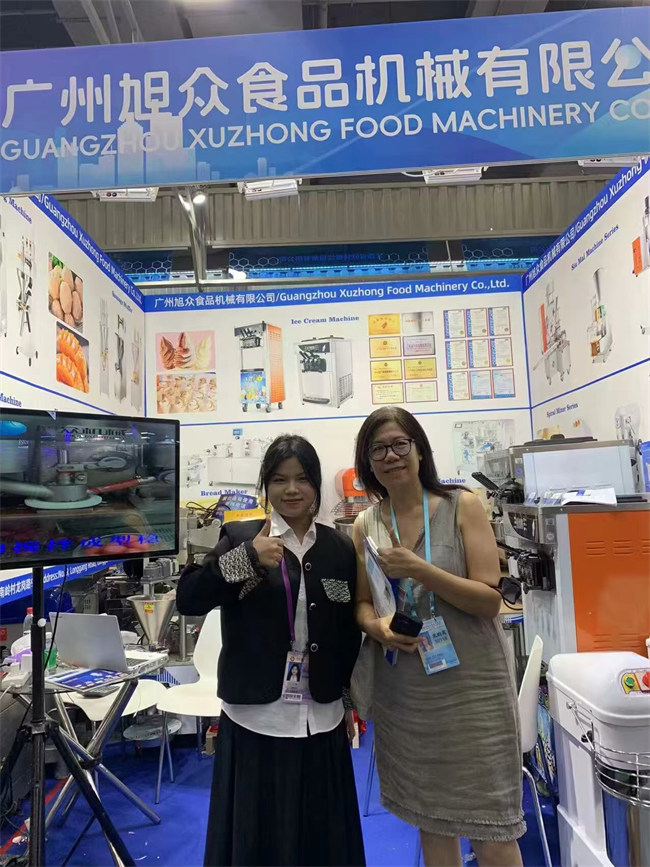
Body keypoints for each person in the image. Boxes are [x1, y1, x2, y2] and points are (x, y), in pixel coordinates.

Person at [177, 434, 365, 867]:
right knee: (257, 838)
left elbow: (345, 633)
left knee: (322, 839)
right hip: (256, 718)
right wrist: (245, 558)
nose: (291, 489)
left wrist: (349, 702)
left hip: (321, 715)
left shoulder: (338, 548)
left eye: (302, 479)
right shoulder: (240, 536)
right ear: (266, 485)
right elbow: (189, 598)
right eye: (279, 479)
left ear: (316, 484)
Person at [352, 407, 524, 867]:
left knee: (493, 827)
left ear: (420, 450)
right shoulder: (366, 525)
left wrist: (421, 570)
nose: (390, 456)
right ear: (368, 463)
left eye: (399, 444)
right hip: (407, 694)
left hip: (472, 690)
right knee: (432, 820)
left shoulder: (460, 506)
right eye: (378, 450)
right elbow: (363, 603)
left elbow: (489, 600)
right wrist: (376, 627)